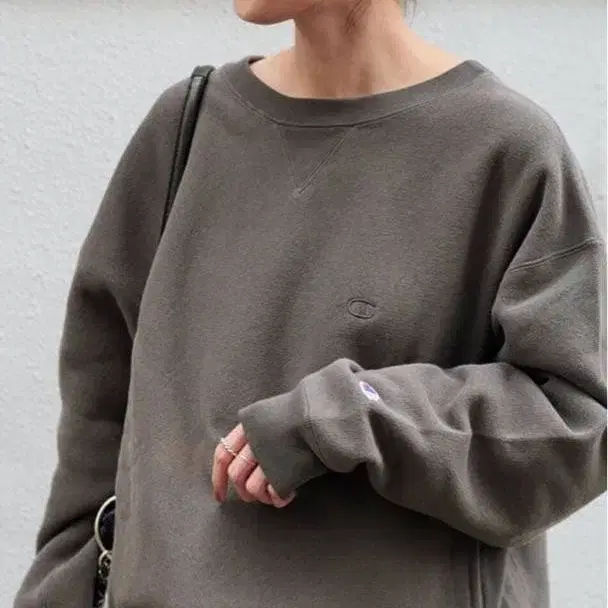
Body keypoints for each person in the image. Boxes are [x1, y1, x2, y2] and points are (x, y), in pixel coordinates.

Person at [14, 0, 606, 607]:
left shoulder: (505, 149)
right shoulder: (185, 131)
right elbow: (97, 429)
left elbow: (576, 426)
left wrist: (351, 413)